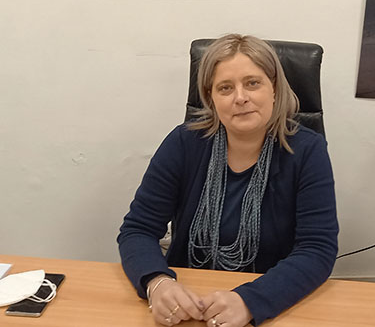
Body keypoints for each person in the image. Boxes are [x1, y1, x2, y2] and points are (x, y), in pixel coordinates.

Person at [118, 34, 338, 327]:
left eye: (253, 83)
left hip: (271, 305)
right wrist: (157, 283)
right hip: (189, 303)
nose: (240, 97)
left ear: (274, 89)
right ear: (210, 98)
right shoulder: (184, 143)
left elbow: (317, 249)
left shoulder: (307, 151)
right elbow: (138, 230)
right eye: (225, 88)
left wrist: (250, 301)